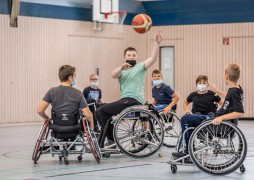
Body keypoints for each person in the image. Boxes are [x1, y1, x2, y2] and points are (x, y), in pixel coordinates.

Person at [94, 32, 163, 146]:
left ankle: (112, 139)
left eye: (134, 55)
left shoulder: (140, 67)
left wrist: (156, 43)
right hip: (125, 100)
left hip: (134, 100)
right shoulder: (122, 70)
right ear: (124, 57)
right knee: (98, 112)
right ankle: (109, 138)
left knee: (101, 111)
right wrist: (122, 67)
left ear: (136, 57)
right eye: (129, 55)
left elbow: (152, 58)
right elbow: (113, 75)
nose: (131, 57)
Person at [173, 64, 244, 159]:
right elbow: (230, 96)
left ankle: (188, 152)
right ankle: (189, 150)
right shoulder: (236, 89)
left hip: (214, 121)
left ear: (226, 76)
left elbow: (240, 112)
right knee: (191, 118)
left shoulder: (234, 91)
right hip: (216, 119)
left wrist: (220, 117)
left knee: (185, 119)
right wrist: (217, 90)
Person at [37, 65, 94, 130]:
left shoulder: (51, 91)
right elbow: (88, 115)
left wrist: (47, 118)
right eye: (75, 76)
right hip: (74, 127)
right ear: (70, 78)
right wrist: (92, 124)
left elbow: (40, 110)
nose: (75, 78)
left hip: (56, 127)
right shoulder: (78, 93)